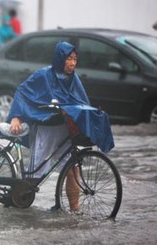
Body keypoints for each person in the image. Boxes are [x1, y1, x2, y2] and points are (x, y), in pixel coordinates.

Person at [6, 41, 114, 211]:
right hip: (46, 128)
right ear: (60, 58)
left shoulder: (73, 79)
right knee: (35, 175)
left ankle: (75, 211)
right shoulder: (43, 75)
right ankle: (17, 202)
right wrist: (16, 118)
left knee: (72, 168)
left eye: (75, 59)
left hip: (64, 130)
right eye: (69, 59)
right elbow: (22, 92)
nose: (72, 63)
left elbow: (81, 103)